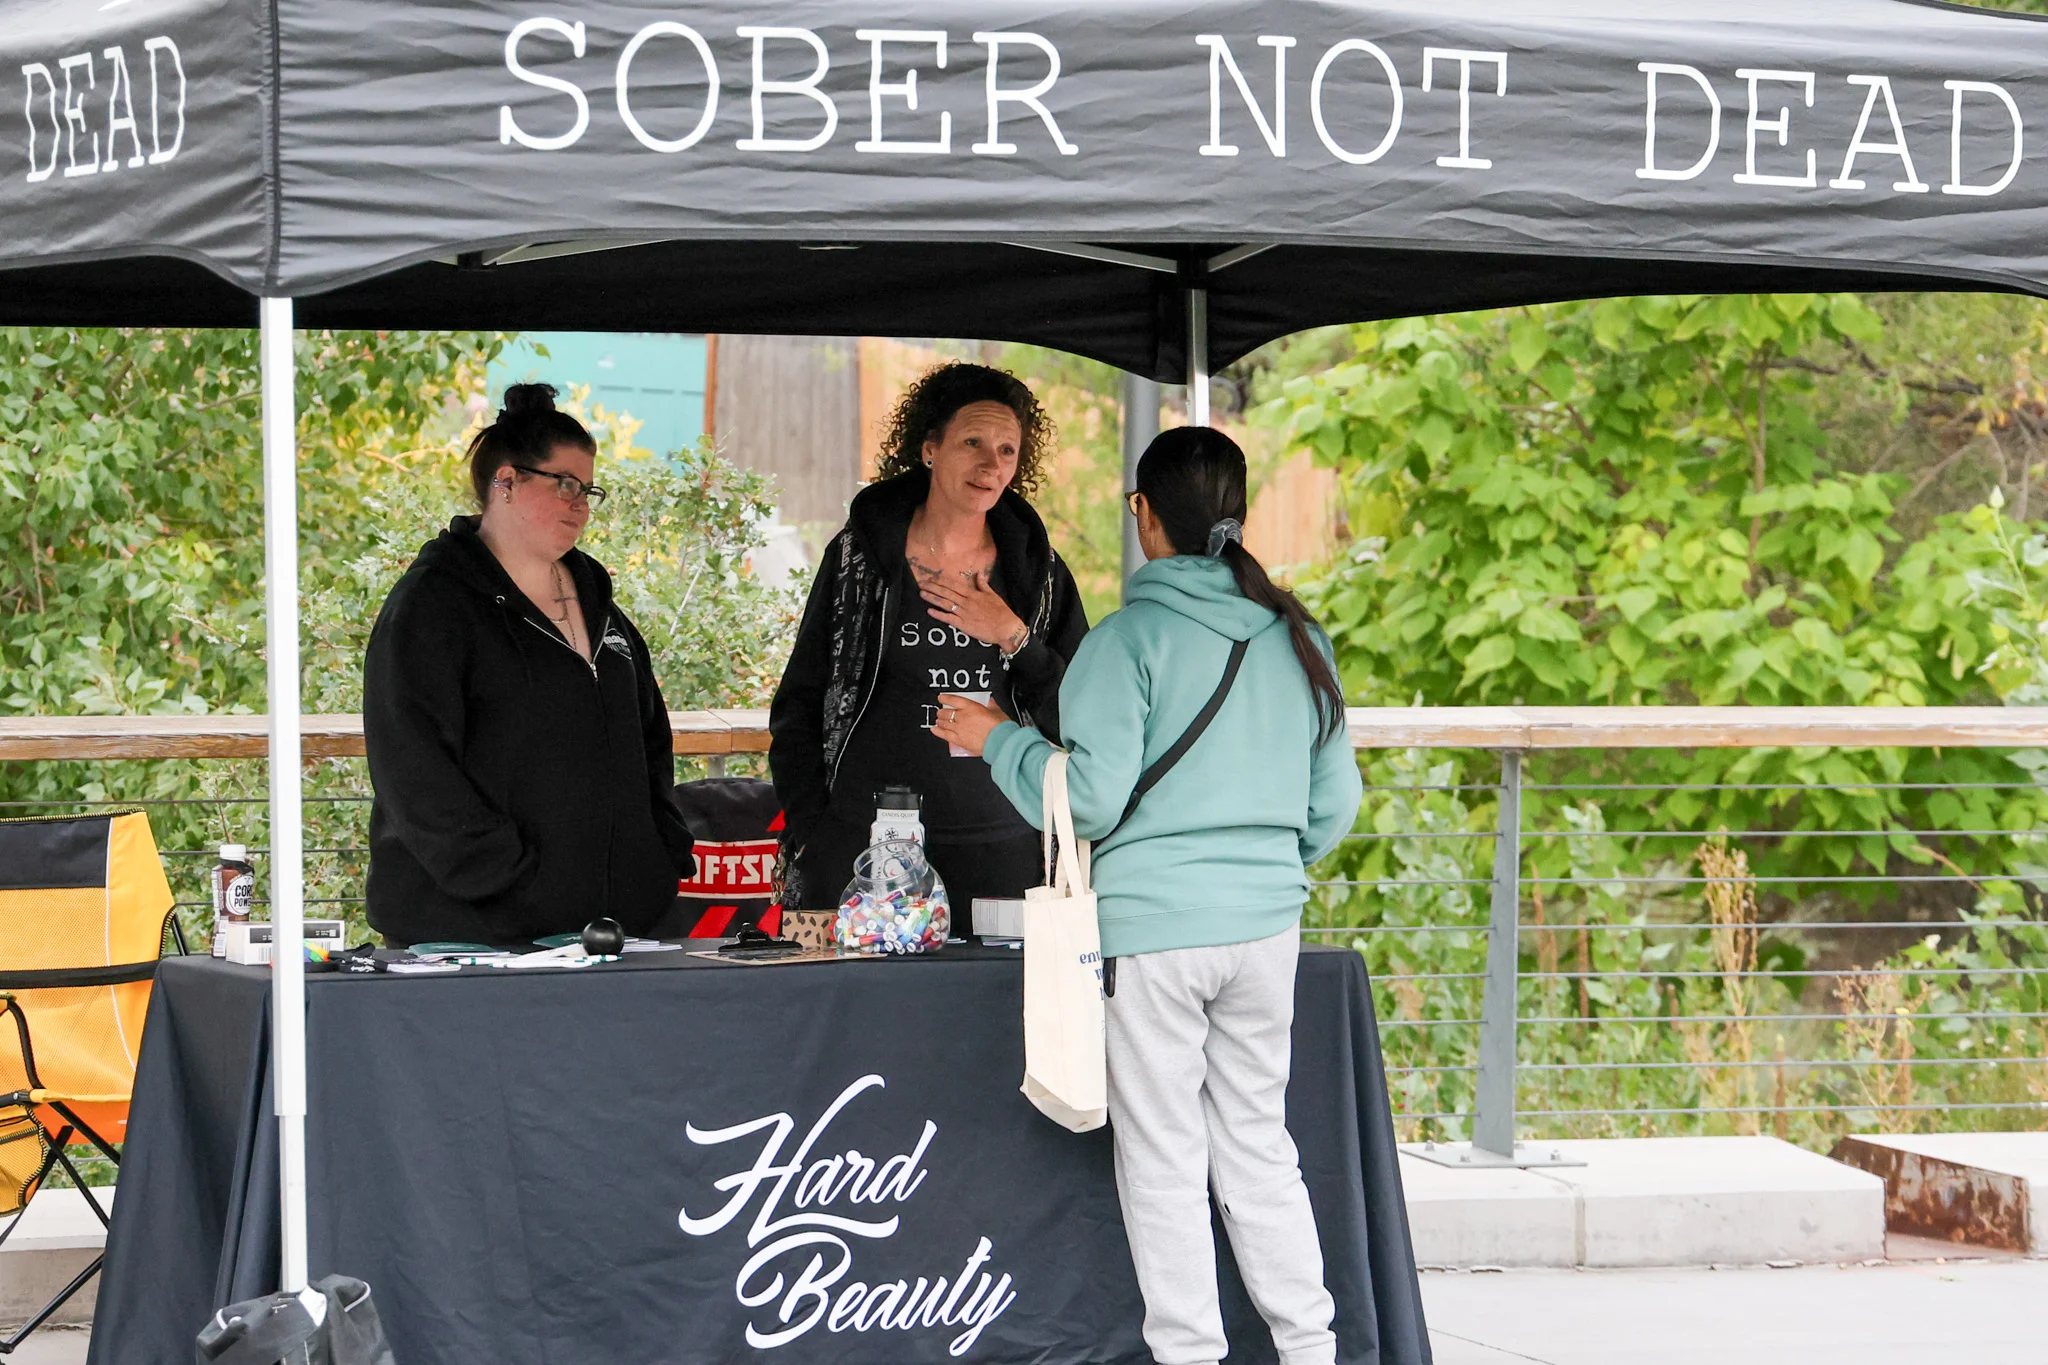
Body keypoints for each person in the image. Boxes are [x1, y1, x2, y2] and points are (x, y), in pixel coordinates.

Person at [934, 426, 1361, 1365]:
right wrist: (1256, 868)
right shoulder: (1301, 638)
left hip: (1155, 936)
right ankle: (1312, 1348)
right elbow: (1334, 807)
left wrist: (996, 737)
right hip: (1266, 930)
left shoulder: (1127, 641)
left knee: (1165, 1156)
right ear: (1237, 515)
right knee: (1259, 1146)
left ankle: (1191, 1355)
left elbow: (1087, 801)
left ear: (1144, 514)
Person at [362, 383, 694, 947]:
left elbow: (650, 744)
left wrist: (658, 856)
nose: (580, 504)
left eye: (588, 489)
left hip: (612, 933)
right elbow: (414, 770)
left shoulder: (602, 608)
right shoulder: (431, 607)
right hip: (468, 936)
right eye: (563, 483)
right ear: (506, 482)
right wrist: (508, 878)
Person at [769, 362, 1089, 933]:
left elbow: (1082, 717)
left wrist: (1014, 636)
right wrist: (814, 829)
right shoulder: (858, 559)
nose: (991, 465)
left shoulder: (1038, 575)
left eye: (1007, 450)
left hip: (1003, 848)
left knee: (998, 996)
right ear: (929, 449)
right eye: (972, 443)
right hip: (864, 847)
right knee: (851, 993)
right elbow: (800, 703)